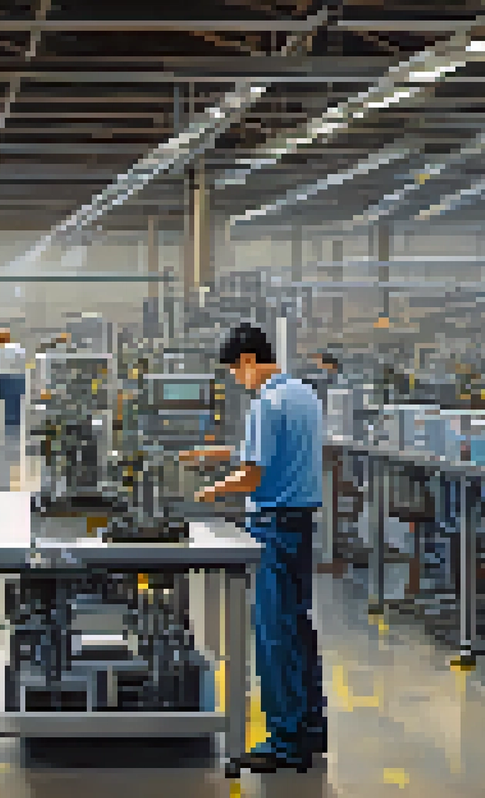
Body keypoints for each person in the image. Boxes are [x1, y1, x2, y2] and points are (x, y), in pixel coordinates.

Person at [187, 322, 326, 777]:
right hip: (301, 523)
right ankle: (310, 727)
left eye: (234, 372)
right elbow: (273, 452)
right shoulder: (303, 394)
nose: (236, 381)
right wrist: (214, 455)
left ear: (247, 362)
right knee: (299, 629)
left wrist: (206, 493)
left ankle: (284, 743)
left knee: (273, 634)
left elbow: (252, 477)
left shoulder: (265, 402)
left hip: (271, 526)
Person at [0, 329, 27, 432]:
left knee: (7, 400)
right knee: (17, 400)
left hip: (6, 377)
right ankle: (18, 421)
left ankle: (9, 422)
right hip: (19, 376)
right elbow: (23, 361)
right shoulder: (18, 347)